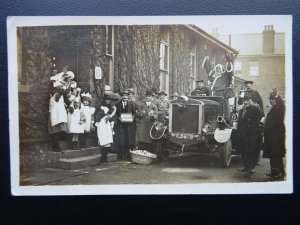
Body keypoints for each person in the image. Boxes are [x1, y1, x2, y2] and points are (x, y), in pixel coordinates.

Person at [236, 92, 264, 174]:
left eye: (247, 100)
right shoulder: (242, 109)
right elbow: (240, 121)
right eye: (245, 100)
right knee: (244, 151)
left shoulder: (254, 108)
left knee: (251, 151)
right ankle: (245, 166)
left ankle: (251, 167)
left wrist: (259, 126)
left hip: (251, 134)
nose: (246, 102)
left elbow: (262, 115)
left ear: (250, 100)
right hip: (243, 133)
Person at [263, 91, 286, 180]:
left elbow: (280, 104)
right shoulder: (274, 108)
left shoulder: (279, 108)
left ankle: (279, 173)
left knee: (276, 155)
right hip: (272, 136)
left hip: (276, 137)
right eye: (270, 99)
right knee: (273, 155)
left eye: (273, 99)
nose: (271, 101)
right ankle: (274, 171)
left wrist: (277, 95)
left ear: (277, 100)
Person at [94, 98, 117, 166]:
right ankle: (102, 160)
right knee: (104, 144)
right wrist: (115, 109)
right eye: (106, 100)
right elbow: (109, 116)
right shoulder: (102, 111)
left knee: (107, 144)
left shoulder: (107, 111)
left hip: (106, 128)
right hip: (102, 128)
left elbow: (111, 116)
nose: (108, 101)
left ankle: (105, 160)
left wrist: (112, 122)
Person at [115, 90, 136, 160]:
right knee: (121, 140)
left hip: (129, 125)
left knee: (128, 140)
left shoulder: (131, 104)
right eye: (123, 96)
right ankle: (121, 155)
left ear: (128, 97)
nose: (125, 97)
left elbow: (134, 113)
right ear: (121, 97)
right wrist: (119, 118)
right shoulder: (117, 104)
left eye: (126, 96)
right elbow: (116, 114)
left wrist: (132, 117)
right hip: (121, 125)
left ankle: (128, 155)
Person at [48, 86, 68, 151]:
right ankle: (55, 147)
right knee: (55, 133)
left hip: (59, 118)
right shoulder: (54, 97)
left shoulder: (60, 98)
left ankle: (57, 146)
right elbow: (59, 95)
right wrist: (64, 88)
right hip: (55, 118)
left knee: (58, 132)